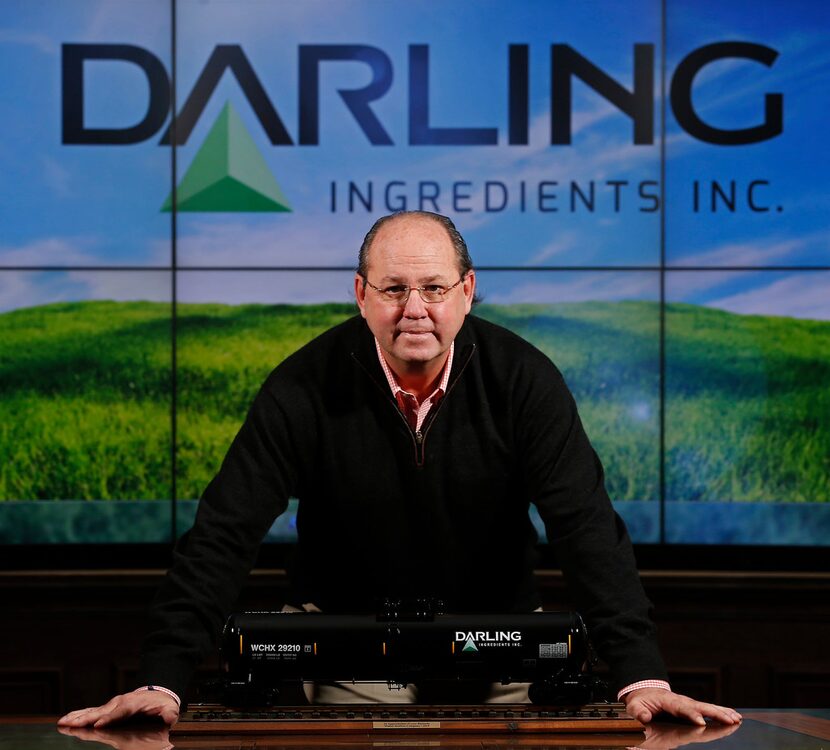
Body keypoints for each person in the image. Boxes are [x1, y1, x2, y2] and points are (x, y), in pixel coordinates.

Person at [58, 211, 741, 729]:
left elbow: (586, 527)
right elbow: (222, 534)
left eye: (434, 288)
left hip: (501, 636)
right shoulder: (301, 386)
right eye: (393, 289)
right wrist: (162, 681)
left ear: (467, 292)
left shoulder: (525, 381)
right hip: (350, 642)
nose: (415, 309)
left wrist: (641, 679)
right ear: (361, 295)